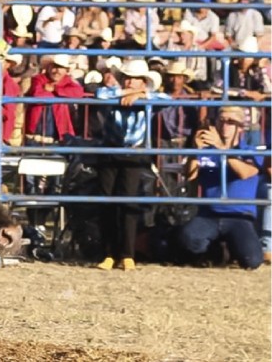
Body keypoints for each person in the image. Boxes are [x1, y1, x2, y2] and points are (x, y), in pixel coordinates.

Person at [93, 59, 167, 271]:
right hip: (110, 151)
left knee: (129, 203)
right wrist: (128, 95)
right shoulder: (112, 93)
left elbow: (167, 99)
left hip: (134, 154)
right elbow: (101, 95)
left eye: (136, 79)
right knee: (106, 201)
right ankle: (108, 253)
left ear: (144, 83)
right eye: (128, 78)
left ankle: (127, 253)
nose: (131, 82)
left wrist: (142, 97)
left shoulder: (147, 98)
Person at [179, 106, 264, 270]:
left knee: (252, 261)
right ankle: (216, 249)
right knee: (188, 240)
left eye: (231, 122)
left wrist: (222, 150)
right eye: (221, 120)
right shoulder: (206, 151)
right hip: (209, 214)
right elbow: (190, 175)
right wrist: (195, 151)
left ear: (241, 128)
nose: (225, 126)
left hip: (239, 215)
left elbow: (245, 172)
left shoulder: (250, 151)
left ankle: (228, 248)